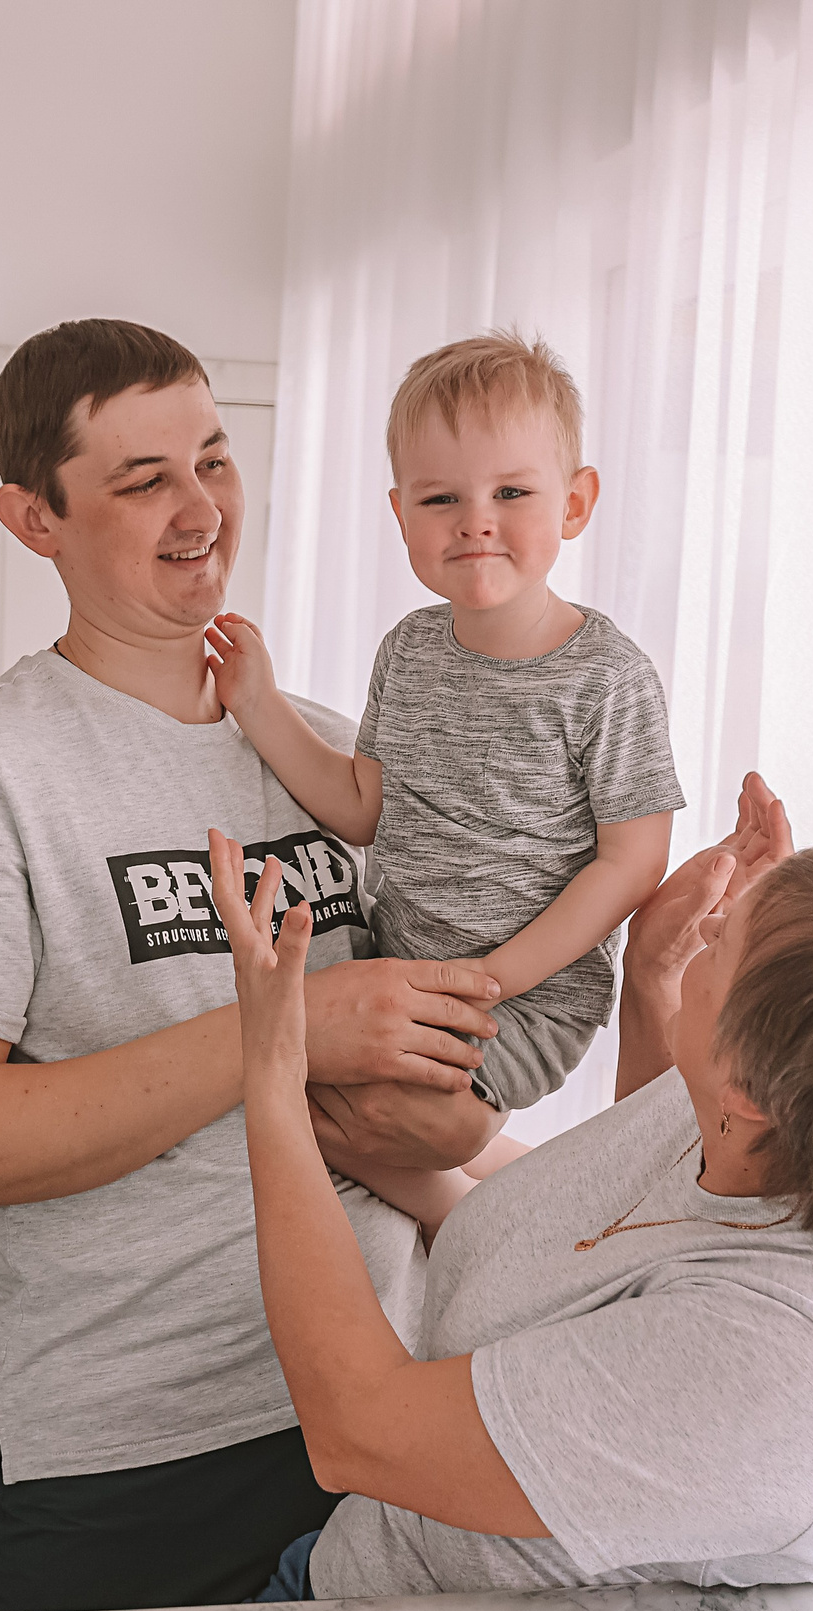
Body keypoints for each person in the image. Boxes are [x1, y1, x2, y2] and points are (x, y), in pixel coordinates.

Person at [0, 318, 506, 1611]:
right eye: (143, 479)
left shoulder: (327, 752)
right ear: (34, 518)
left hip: (391, 1406)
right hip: (134, 1449)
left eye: (213, 459)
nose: (201, 508)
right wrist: (289, 1030)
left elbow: (451, 1093)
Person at [208, 775, 813, 1600]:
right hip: (366, 1561)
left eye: (727, 941)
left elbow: (358, 1429)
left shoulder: (779, 1355)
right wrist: (655, 976)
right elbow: (626, 1261)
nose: (712, 918)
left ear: (751, 1088)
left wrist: (271, 1058)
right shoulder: (777, 1130)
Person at [208, 331, 684, 1121]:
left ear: (573, 503)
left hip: (527, 997)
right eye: (441, 500)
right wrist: (258, 701)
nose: (475, 523)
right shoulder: (408, 650)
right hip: (395, 967)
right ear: (402, 514)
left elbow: (632, 862)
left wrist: (493, 977)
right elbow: (363, 807)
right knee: (271, 1074)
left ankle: (473, 1186)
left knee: (383, 1114)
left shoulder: (608, 676)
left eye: (511, 493)